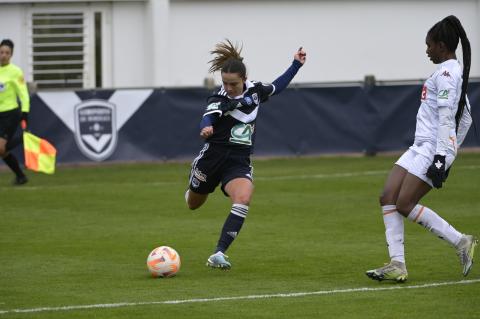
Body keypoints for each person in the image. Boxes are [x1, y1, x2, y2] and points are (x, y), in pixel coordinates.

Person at [366, 15, 476, 283]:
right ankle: (397, 264)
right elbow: (467, 116)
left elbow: (449, 117)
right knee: (387, 196)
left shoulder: (448, 73)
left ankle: (461, 241)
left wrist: (443, 156)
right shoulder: (446, 71)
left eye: (429, 45)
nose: (426, 50)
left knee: (404, 203)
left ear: (441, 45)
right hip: (420, 146)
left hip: (432, 149)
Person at [185, 39, 306, 270]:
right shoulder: (219, 98)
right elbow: (208, 116)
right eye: (225, 83)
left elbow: (277, 86)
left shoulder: (256, 91)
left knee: (243, 198)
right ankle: (193, 186)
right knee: (193, 203)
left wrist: (295, 65)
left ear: (243, 79)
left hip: (238, 161)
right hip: (212, 160)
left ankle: (219, 253)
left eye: (233, 84)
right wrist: (206, 127)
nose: (228, 88)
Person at [0, 39, 30, 185]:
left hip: (10, 114)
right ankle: (21, 176)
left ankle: (22, 139)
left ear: (11, 55)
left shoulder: (15, 71)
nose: (3, 55)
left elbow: (23, 93)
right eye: (1, 52)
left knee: (0, 147)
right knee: (1, 150)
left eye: (7, 53)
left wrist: (25, 112)